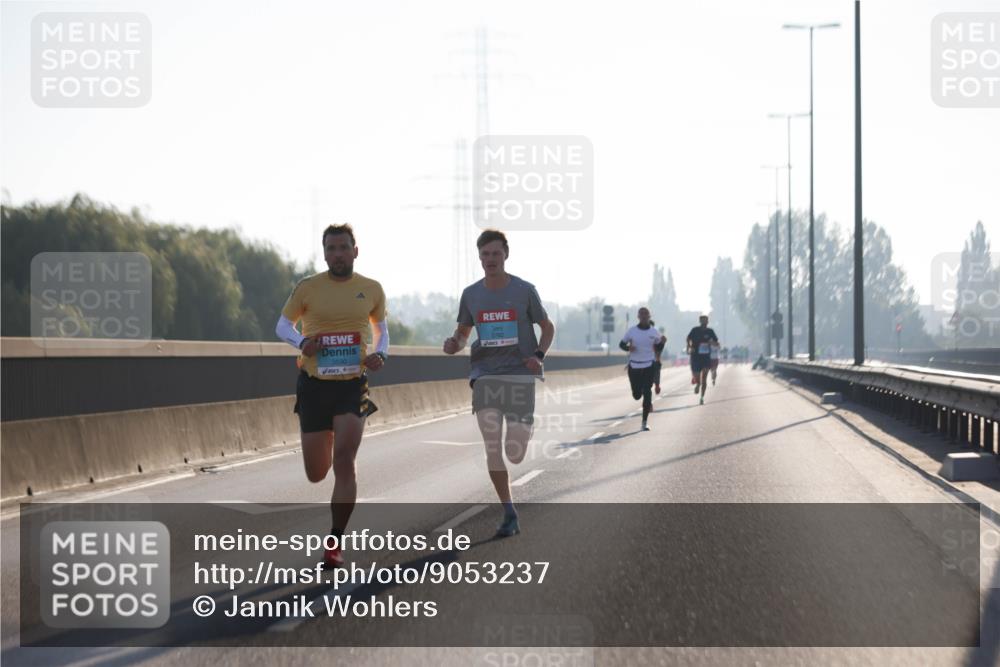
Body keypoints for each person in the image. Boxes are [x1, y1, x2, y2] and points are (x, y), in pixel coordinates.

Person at [275, 223, 388, 568]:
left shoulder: (371, 289)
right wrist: (302, 342)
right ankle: (321, 446)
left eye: (343, 248)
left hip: (352, 385)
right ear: (324, 254)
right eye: (331, 249)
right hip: (314, 385)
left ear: (356, 251)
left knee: (345, 462)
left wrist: (380, 354)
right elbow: (282, 325)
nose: (337, 254)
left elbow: (381, 331)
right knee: (316, 472)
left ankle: (335, 541)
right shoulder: (308, 288)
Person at [443, 229, 554, 538]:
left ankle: (527, 426)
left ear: (506, 255)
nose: (490, 260)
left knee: (515, 452)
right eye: (485, 255)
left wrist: (539, 354)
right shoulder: (471, 294)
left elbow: (547, 327)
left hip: (519, 374)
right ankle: (508, 510)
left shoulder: (524, 290)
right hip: (485, 375)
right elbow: (463, 333)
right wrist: (454, 343)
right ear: (479, 258)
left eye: (495, 254)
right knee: (492, 444)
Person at [619, 308, 666, 431]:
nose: (644, 316)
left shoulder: (654, 332)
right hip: (634, 366)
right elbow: (621, 344)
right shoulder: (632, 331)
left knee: (647, 392)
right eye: (642, 314)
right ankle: (638, 394)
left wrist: (663, 342)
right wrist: (629, 348)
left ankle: (644, 422)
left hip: (648, 366)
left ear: (649, 316)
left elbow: (658, 347)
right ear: (638, 316)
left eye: (646, 314)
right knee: (636, 395)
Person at [686, 314, 719, 405]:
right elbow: (688, 338)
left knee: (704, 378)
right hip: (695, 357)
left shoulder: (710, 331)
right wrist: (689, 347)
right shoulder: (695, 330)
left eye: (706, 320)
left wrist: (712, 342)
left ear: (708, 322)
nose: (704, 322)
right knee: (697, 377)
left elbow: (717, 343)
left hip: (706, 357)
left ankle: (702, 397)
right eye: (703, 320)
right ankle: (697, 384)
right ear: (700, 321)